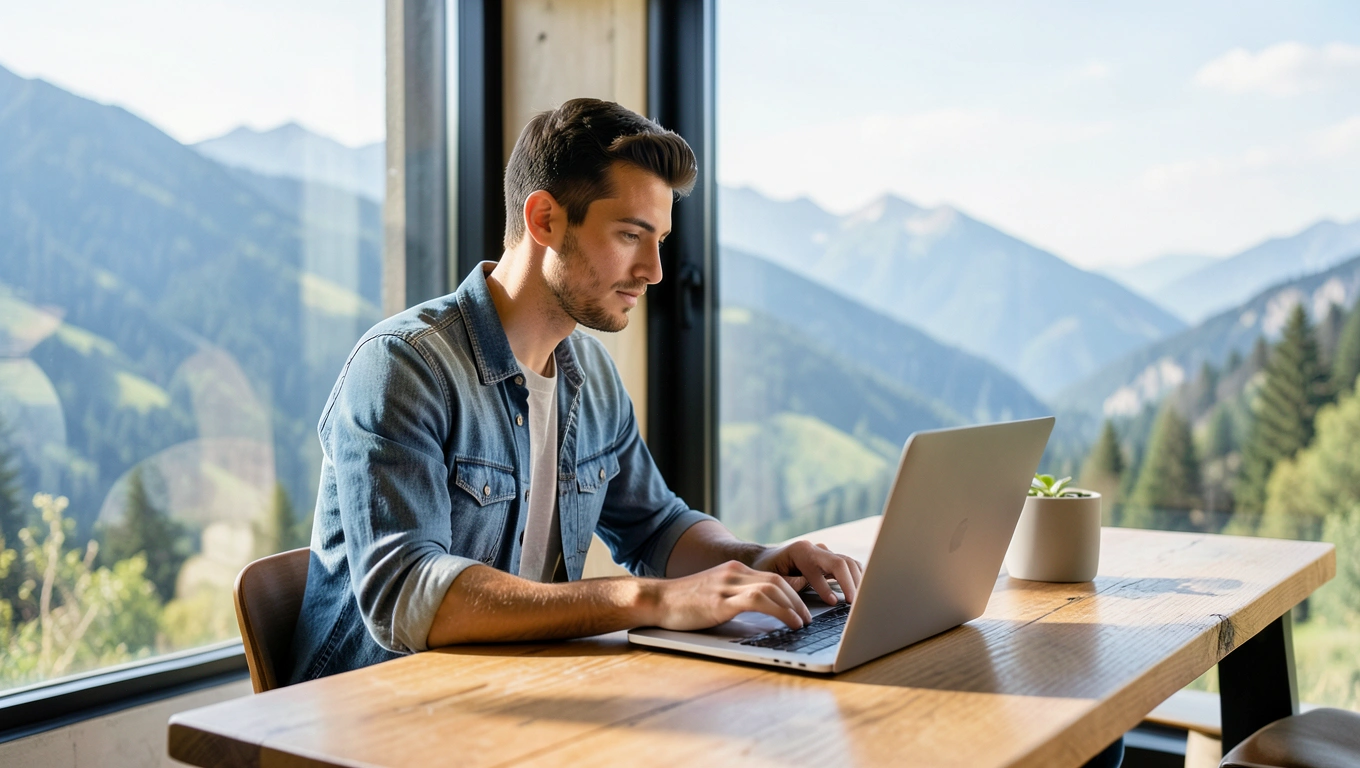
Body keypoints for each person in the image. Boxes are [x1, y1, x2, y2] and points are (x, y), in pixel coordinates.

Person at [288, 98, 864, 683]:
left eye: (659, 239)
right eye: (631, 234)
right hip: (372, 719)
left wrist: (756, 560)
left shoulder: (591, 376)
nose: (655, 270)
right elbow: (409, 594)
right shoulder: (404, 367)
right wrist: (651, 599)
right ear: (544, 221)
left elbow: (657, 526)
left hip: (515, 695)